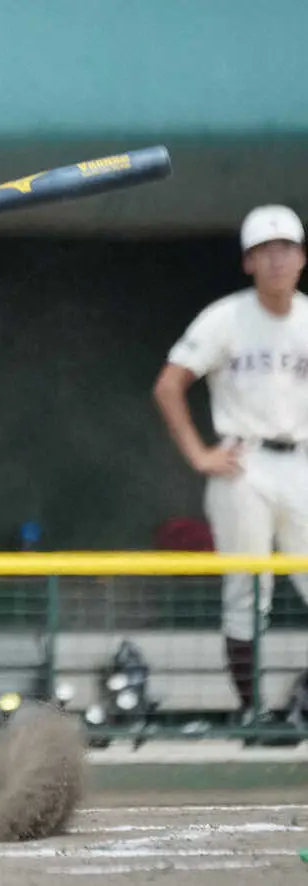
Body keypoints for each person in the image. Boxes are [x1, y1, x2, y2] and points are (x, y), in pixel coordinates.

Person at [153, 204, 308, 741]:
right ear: (248, 262)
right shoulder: (227, 316)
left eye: (286, 248)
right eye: (265, 251)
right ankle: (253, 712)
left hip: (302, 461)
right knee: (247, 591)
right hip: (244, 463)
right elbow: (169, 384)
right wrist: (199, 454)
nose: (277, 259)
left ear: (302, 256)